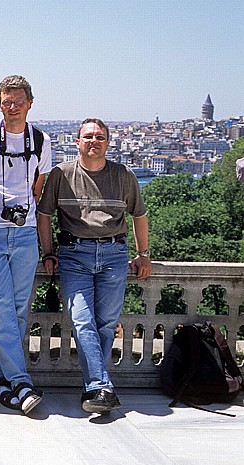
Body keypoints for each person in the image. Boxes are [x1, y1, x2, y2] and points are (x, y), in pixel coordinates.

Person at [37, 118, 152, 413]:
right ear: (77, 142)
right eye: (88, 137)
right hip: (74, 253)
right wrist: (48, 253)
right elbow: (44, 215)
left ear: (108, 143)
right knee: (82, 319)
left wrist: (144, 253)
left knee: (105, 324)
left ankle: (96, 388)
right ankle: (101, 387)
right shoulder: (62, 174)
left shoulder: (123, 175)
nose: (94, 141)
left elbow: (139, 215)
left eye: (100, 137)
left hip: (114, 254)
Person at [0, 75, 51, 415]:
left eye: (18, 101)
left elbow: (39, 187)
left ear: (30, 103)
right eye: (7, 102)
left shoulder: (41, 140)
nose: (13, 107)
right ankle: (21, 381)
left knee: (19, 309)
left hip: (24, 233)